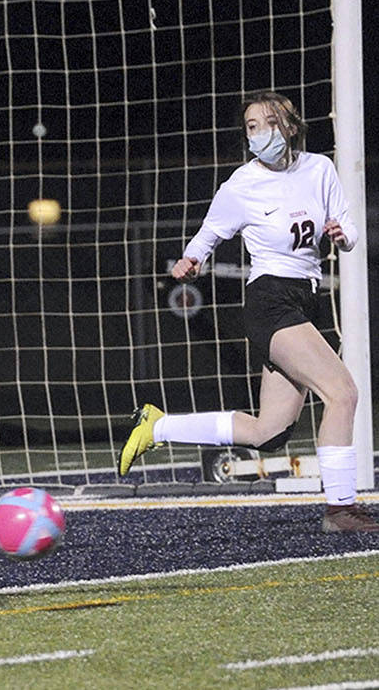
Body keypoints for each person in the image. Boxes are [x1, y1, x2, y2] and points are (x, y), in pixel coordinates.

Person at [119, 91, 377, 532]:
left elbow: (348, 225)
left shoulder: (320, 168)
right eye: (252, 126)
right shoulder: (241, 184)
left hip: (304, 298)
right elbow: (210, 233)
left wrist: (341, 234)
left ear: (290, 127)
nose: (259, 133)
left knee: (268, 433)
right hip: (269, 302)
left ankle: (156, 428)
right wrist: (191, 259)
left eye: (268, 123)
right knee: (343, 393)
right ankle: (340, 510)